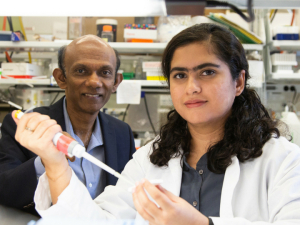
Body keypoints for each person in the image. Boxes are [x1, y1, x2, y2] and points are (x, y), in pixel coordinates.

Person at [13, 24, 300, 224]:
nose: (192, 87)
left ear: (238, 81)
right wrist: (55, 163)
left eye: (207, 72)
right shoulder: (150, 160)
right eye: (179, 75)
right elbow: (93, 221)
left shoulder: (282, 160)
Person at [0, 35, 136, 216]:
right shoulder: (27, 125)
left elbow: (127, 194)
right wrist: (47, 159)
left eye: (105, 72)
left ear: (116, 82)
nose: (95, 82)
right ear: (61, 78)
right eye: (81, 71)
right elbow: (4, 190)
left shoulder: (122, 132)